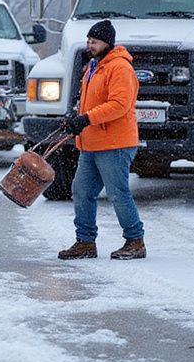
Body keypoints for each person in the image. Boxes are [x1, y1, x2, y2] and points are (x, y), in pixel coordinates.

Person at [57, 19, 146, 260]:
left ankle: (135, 240)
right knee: (81, 190)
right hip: (92, 143)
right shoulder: (94, 66)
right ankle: (85, 242)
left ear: (107, 42)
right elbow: (91, 102)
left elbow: (119, 105)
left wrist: (86, 119)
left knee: (118, 193)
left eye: (94, 41)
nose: (90, 45)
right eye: (88, 40)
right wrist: (76, 117)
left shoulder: (120, 68)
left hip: (115, 143)